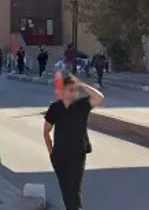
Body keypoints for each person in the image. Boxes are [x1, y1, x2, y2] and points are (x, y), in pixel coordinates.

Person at [43, 76, 104, 210]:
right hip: (59, 155)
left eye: (76, 90)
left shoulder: (82, 105)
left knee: (74, 188)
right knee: (66, 189)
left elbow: (99, 97)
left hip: (78, 153)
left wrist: (82, 85)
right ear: (63, 90)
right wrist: (51, 152)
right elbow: (46, 131)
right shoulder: (55, 108)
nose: (74, 93)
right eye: (71, 89)